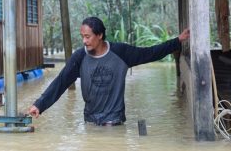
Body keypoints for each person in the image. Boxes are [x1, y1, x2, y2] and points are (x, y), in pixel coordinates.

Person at [28, 17, 190, 126]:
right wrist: (39, 105)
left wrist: (177, 41)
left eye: (88, 36)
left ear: (99, 35)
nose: (84, 41)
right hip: (90, 121)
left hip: (114, 121)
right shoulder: (79, 57)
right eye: (82, 37)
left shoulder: (121, 52)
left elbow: (150, 53)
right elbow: (61, 82)